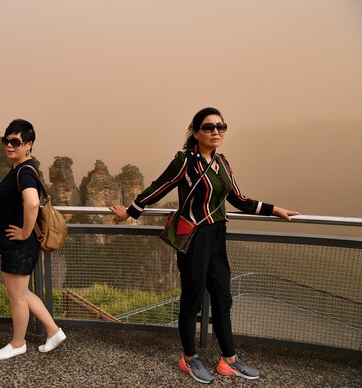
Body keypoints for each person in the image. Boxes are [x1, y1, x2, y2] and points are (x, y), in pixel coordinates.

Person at [110, 107, 299, 384]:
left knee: (223, 299)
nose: (216, 132)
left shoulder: (222, 163)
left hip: (217, 236)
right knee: (192, 300)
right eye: (209, 127)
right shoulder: (185, 161)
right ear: (196, 132)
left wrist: (275, 209)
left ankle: (229, 360)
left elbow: (239, 199)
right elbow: (159, 187)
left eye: (221, 126)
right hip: (195, 237)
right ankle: (188, 358)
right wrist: (130, 212)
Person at [0, 119, 66, 360]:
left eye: (15, 142)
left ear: (29, 144)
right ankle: (53, 331)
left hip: (19, 244)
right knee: (22, 293)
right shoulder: (21, 168)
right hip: (19, 243)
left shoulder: (24, 171)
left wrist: (24, 231)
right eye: (6, 141)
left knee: (16, 297)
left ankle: (17, 343)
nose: (9, 146)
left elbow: (32, 202)